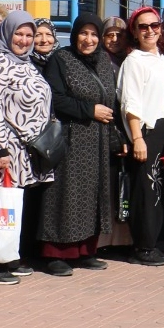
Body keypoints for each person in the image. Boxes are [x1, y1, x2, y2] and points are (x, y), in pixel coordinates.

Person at [0, 10, 56, 285]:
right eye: (18, 34)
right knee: (0, 206)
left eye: (28, 35)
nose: (23, 40)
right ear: (6, 34)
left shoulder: (26, 62)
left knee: (14, 206)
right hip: (7, 148)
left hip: (29, 149)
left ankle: (10, 256)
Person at [39, 14, 120, 276]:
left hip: (98, 141)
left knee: (92, 195)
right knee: (65, 194)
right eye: (83, 34)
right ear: (74, 35)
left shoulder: (104, 62)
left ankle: (85, 250)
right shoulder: (61, 59)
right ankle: (56, 253)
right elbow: (55, 98)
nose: (89, 39)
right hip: (72, 138)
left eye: (94, 34)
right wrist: (89, 111)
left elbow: (112, 99)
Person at [116, 7, 164, 266]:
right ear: (135, 33)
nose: (150, 30)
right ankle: (142, 245)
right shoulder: (134, 61)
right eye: (143, 27)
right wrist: (137, 138)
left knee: (158, 189)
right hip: (147, 130)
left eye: (154, 25)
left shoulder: (162, 58)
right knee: (145, 189)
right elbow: (131, 102)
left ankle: (153, 242)